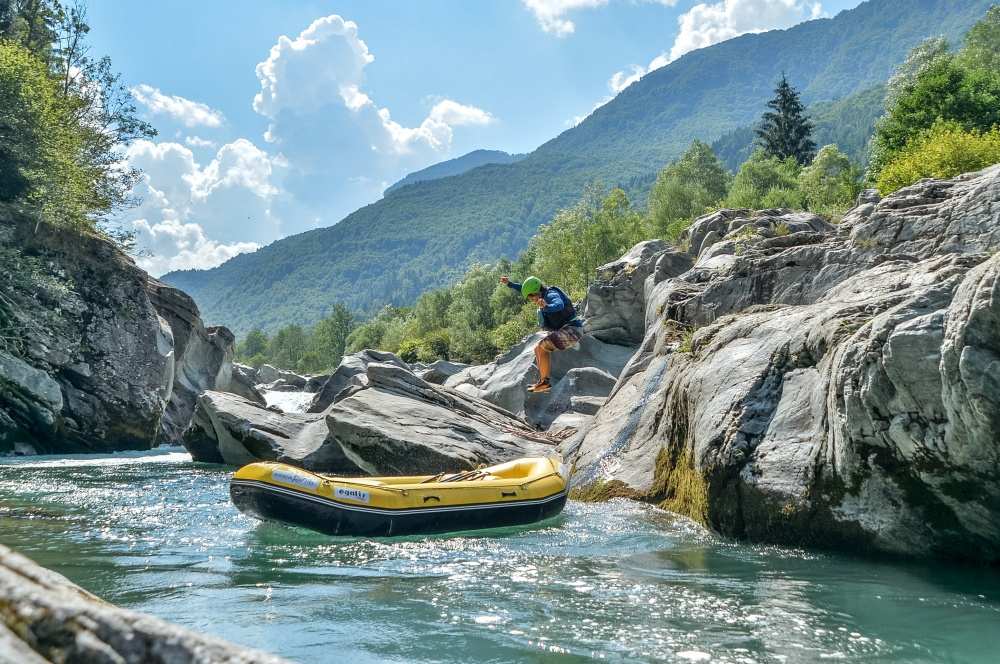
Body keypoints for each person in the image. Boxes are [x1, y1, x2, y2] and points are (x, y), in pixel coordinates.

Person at [499, 275, 583, 393]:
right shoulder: (538, 293)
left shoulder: (551, 294)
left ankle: (545, 383)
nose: (532, 300)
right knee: (538, 349)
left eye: (532, 298)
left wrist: (547, 306)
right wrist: (510, 284)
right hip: (567, 330)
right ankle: (543, 382)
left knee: (542, 348)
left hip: (573, 330)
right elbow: (523, 288)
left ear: (537, 291)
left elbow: (559, 304)